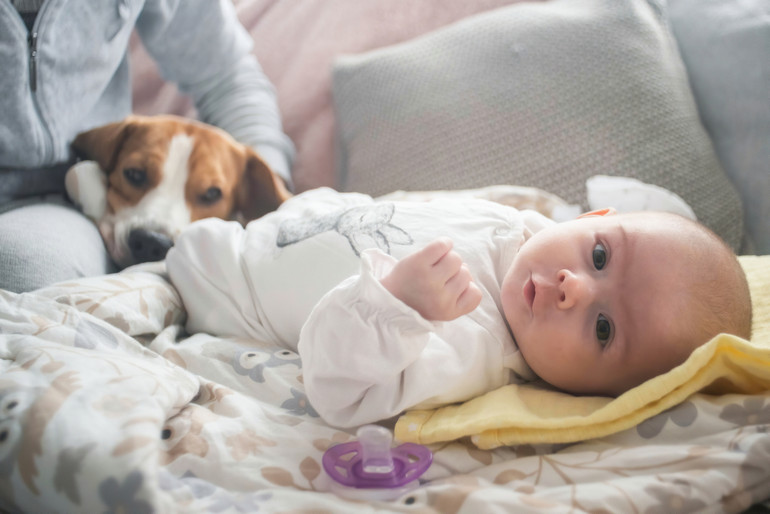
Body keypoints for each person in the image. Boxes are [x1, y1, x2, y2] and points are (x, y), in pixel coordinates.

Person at [166, 188, 753, 428]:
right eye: (599, 255)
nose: (575, 286)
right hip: (289, 218)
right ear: (590, 220)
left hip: (223, 287)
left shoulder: (469, 352)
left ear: (596, 393)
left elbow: (338, 389)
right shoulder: (521, 226)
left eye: (603, 329)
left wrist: (395, 304)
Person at [0, 0, 295, 293]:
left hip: (54, 204)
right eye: (137, 177)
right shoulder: (114, 141)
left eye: (208, 195)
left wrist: (277, 191)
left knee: (22, 270)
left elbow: (227, 76)